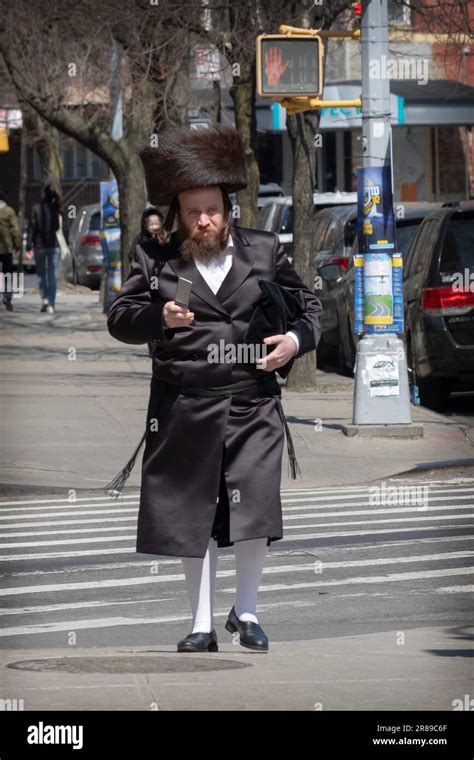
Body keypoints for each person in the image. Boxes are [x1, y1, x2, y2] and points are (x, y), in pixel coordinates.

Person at [107, 124, 322, 653]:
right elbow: (119, 317)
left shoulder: (265, 250)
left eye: (212, 209)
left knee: (254, 513)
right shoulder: (156, 259)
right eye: (192, 211)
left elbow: (310, 308)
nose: (203, 220)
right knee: (192, 515)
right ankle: (201, 625)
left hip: (253, 403)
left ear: (228, 209)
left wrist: (294, 341)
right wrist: (161, 316)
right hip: (184, 406)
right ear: (178, 213)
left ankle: (246, 613)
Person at [129, 207, 164, 357]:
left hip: (163, 283)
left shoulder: (165, 238)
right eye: (151, 224)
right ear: (145, 224)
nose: (155, 227)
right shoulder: (139, 240)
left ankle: (162, 344)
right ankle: (152, 346)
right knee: (150, 315)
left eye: (157, 223)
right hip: (147, 284)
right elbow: (132, 257)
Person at [27, 184, 64, 313]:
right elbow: (57, 227)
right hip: (53, 245)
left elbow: (32, 228)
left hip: (39, 245)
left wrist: (28, 245)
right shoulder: (55, 208)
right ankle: (52, 304)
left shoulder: (35, 208)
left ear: (43, 194)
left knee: (41, 274)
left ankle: (45, 298)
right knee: (52, 275)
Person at [0, 187, 20, 312]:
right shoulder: (9, 211)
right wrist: (17, 245)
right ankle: (7, 297)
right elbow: (15, 230)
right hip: (6, 248)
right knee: (7, 274)